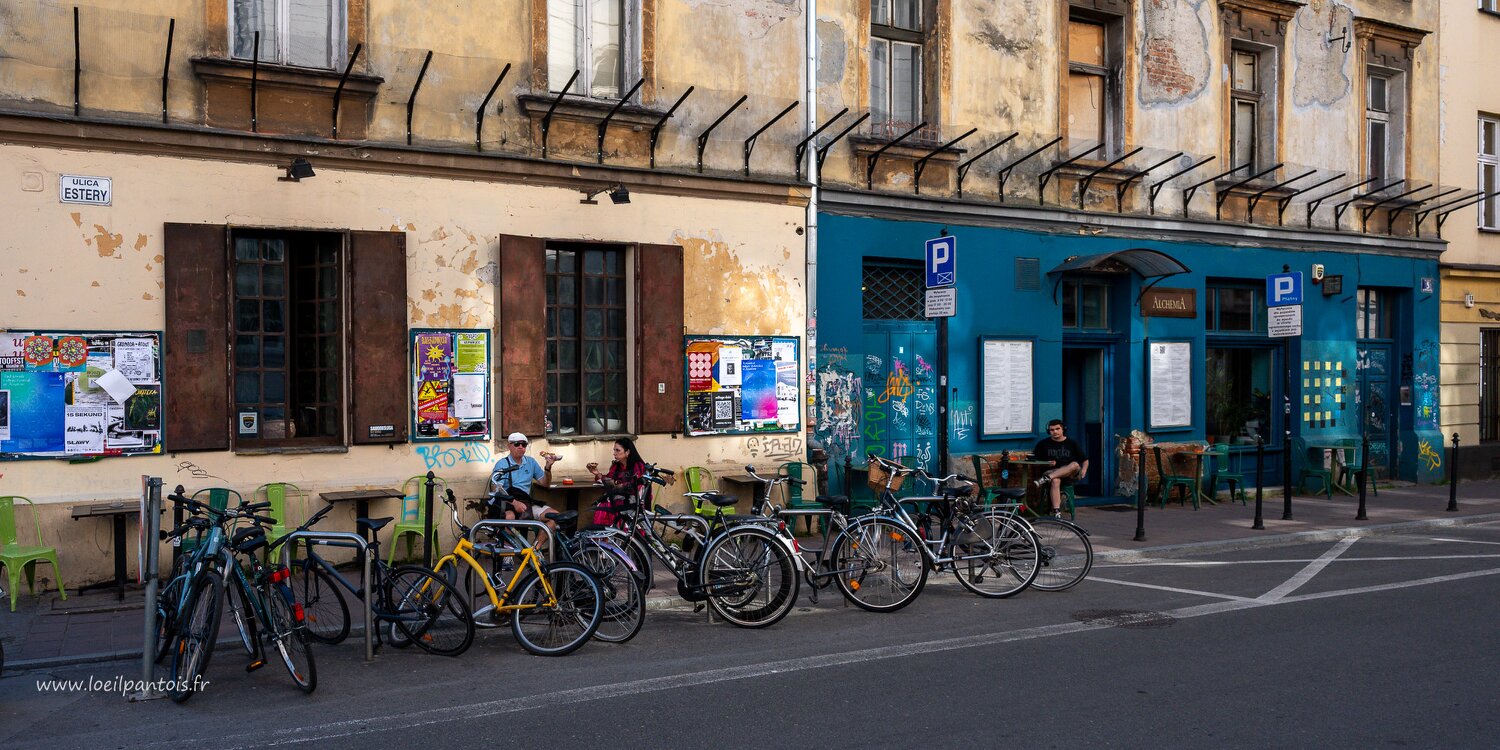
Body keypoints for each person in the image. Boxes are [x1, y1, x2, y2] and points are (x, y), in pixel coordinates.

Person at [490, 432, 560, 527]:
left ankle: (540, 538)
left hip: (526, 502)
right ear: (509, 446)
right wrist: (514, 503)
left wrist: (548, 468)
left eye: (523, 444)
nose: (520, 447)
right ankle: (508, 538)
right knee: (508, 518)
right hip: (507, 502)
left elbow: (545, 484)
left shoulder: (531, 462)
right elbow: (496, 490)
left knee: (555, 516)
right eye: (517, 444)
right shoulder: (502, 464)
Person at [1032, 419, 1088, 518]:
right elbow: (1035, 461)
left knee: (1075, 464)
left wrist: (1084, 470)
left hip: (1070, 474)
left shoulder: (1072, 443)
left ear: (1063, 429)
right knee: (1055, 481)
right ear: (1049, 431)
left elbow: (1085, 460)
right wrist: (1047, 463)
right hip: (1052, 471)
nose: (1055, 432)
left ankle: (1046, 478)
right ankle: (1056, 511)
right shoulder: (1043, 444)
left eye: (1057, 429)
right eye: (1052, 430)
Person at [590, 438, 649, 527]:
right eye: (614, 450)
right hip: (617, 498)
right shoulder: (616, 466)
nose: (614, 453)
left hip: (632, 500)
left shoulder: (638, 466)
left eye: (617, 450)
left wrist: (618, 486)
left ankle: (619, 533)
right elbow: (609, 479)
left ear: (627, 452)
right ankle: (605, 534)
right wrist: (597, 474)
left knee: (612, 507)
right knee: (603, 506)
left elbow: (637, 486)